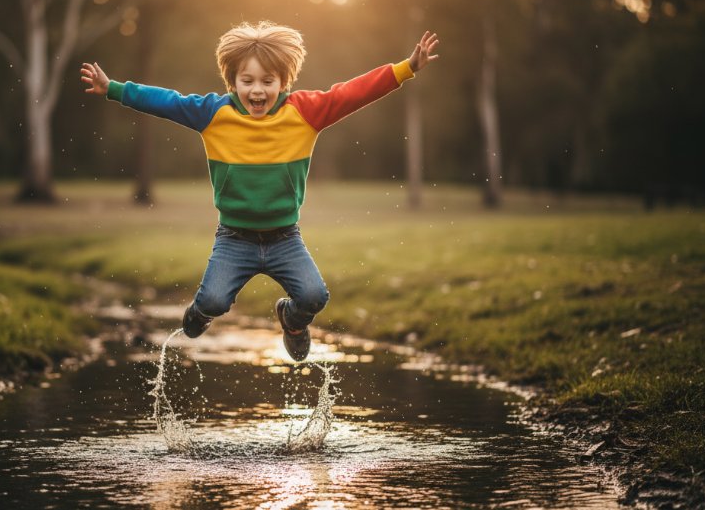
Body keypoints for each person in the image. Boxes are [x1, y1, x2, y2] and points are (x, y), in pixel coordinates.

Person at [80, 21, 439, 362]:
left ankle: (292, 320)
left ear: (284, 82)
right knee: (216, 301)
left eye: (268, 81)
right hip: (234, 240)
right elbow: (167, 101)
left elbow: (351, 93)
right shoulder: (212, 113)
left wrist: (406, 67)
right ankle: (202, 311)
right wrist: (114, 88)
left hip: (285, 239)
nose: (257, 90)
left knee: (315, 296)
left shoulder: (306, 112)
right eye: (247, 80)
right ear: (232, 81)